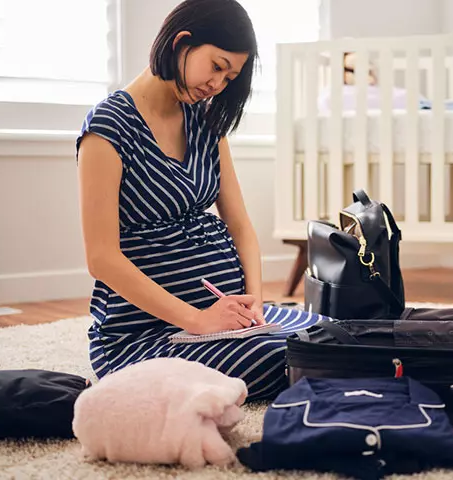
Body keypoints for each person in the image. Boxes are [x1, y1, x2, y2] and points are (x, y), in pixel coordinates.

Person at [76, 0, 325, 401]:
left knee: (328, 333)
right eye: (217, 66)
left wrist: (255, 302)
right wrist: (197, 320)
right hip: (144, 334)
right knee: (288, 358)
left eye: (230, 77)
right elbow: (101, 258)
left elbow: (240, 224)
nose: (218, 84)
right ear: (181, 42)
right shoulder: (107, 129)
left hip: (226, 321)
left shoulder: (206, 121)